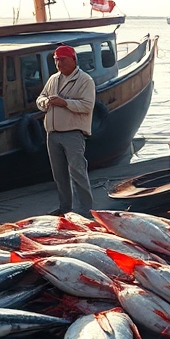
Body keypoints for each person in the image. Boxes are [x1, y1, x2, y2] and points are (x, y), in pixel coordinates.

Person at [36, 45, 96, 217]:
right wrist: (46, 103)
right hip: (53, 133)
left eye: (62, 59)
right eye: (56, 59)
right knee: (59, 174)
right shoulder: (53, 79)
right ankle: (65, 208)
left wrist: (65, 103)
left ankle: (86, 210)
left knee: (77, 171)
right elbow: (40, 98)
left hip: (72, 132)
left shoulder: (85, 80)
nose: (59, 63)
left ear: (73, 60)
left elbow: (87, 105)